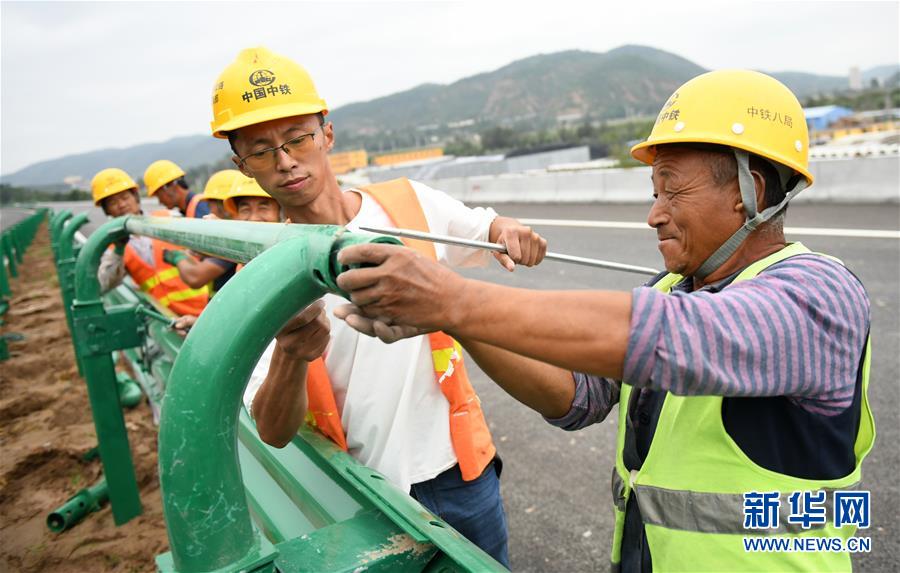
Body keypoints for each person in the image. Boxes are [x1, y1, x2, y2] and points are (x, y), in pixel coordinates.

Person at [334, 70, 875, 572]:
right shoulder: (670, 290)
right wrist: (454, 320)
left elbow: (673, 336)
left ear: (746, 191)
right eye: (654, 192)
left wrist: (453, 298)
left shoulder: (818, 295)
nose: (654, 213)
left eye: (672, 189)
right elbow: (575, 398)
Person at [211, 46, 548, 567]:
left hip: (460, 472)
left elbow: (484, 228)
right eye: (261, 151)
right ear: (242, 166)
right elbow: (273, 430)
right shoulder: (258, 274)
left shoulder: (406, 204)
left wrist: (507, 229)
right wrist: (292, 353)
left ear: (327, 134)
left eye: (297, 138)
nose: (285, 160)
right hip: (361, 498)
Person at [91, 167, 208, 316]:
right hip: (168, 318)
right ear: (107, 210)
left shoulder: (168, 218)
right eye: (113, 202)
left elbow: (203, 251)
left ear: (135, 197)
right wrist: (118, 251)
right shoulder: (113, 247)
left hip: (203, 308)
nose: (121, 205)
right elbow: (103, 284)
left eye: (125, 197)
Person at [160, 170, 246, 294]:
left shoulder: (233, 241)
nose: (208, 214)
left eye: (209, 206)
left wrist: (178, 258)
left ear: (225, 207)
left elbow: (196, 277)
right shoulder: (234, 235)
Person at [143, 159, 211, 218]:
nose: (160, 202)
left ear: (168, 186)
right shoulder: (189, 210)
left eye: (159, 195)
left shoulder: (201, 208)